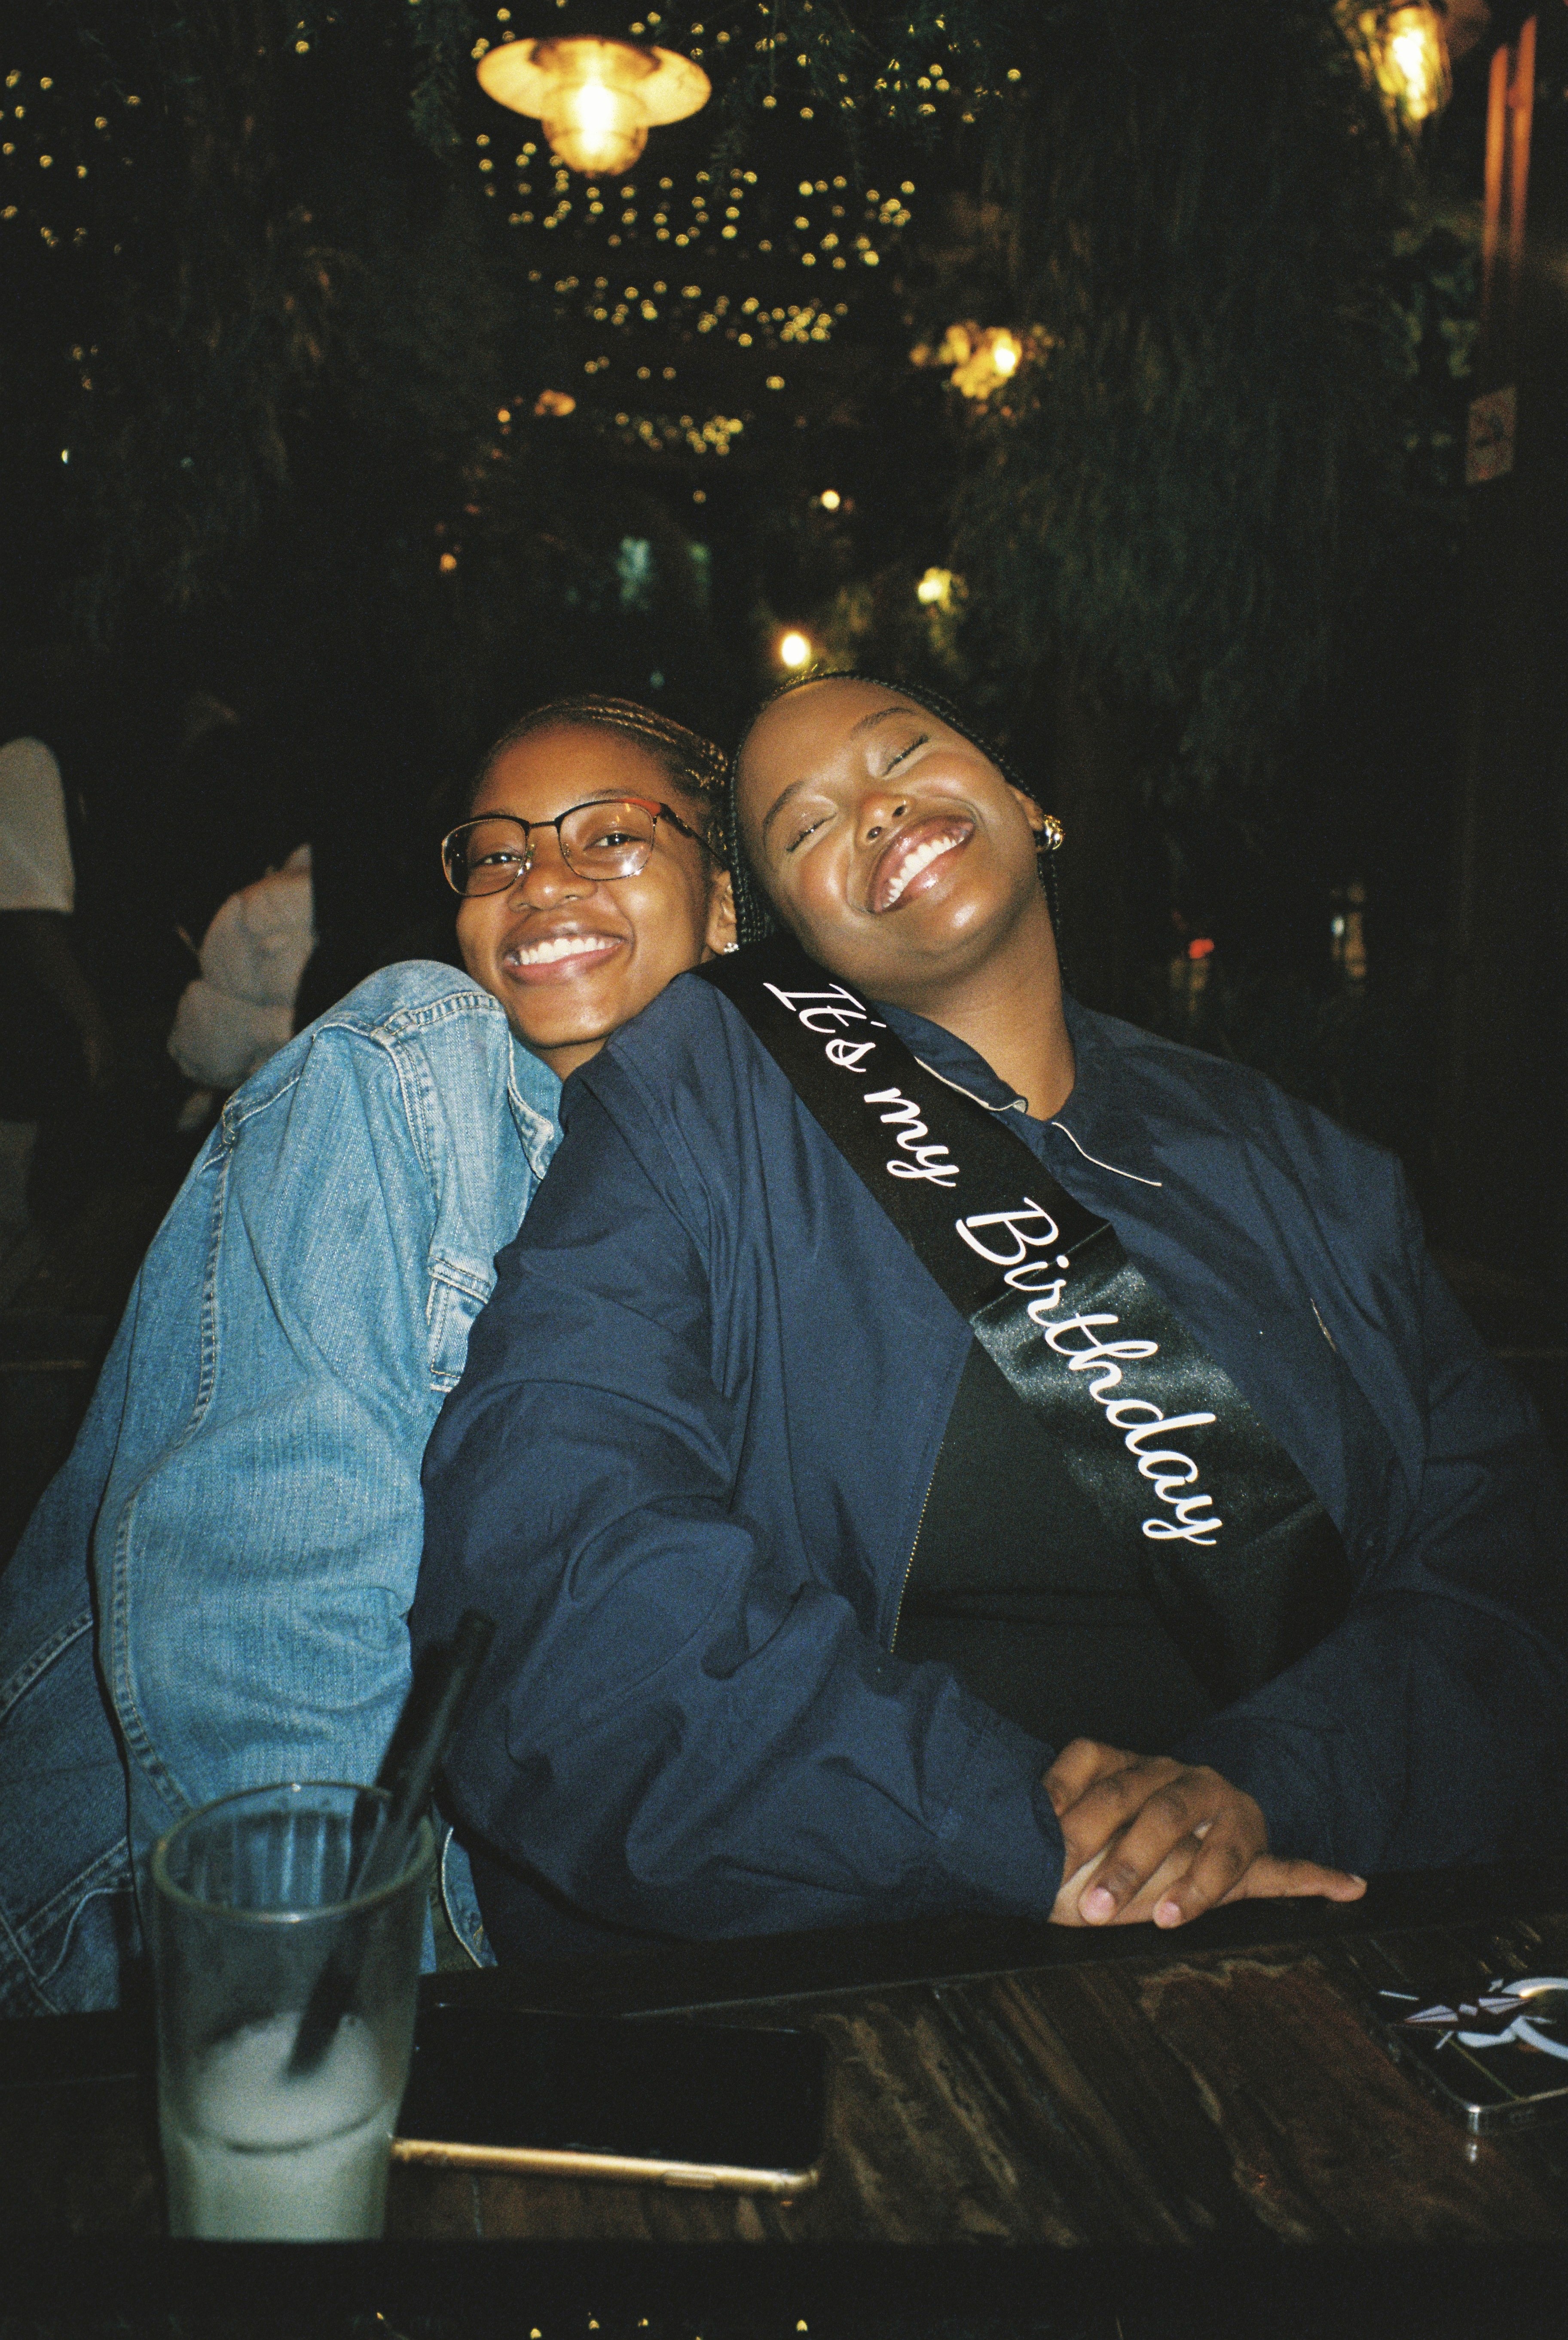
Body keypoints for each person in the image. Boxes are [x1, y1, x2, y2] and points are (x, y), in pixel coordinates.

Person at [414, 673, 1568, 1961]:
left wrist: (1268, 1784)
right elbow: (554, 1559)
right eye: (803, 826)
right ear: (782, 932)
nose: (874, 805)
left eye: (903, 751)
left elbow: (1496, 1559)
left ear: (1024, 801)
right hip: (885, 1969)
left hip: (1325, 1938)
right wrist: (1015, 1831)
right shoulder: (701, 1102)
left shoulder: (1296, 1158)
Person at [0, 696, 734, 2015]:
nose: (540, 878)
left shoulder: (747, 1199)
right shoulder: (417, 1076)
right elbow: (257, 1653)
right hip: (167, 1945)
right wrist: (347, 2004)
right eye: (496, 852)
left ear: (727, 904)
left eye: (610, 835)